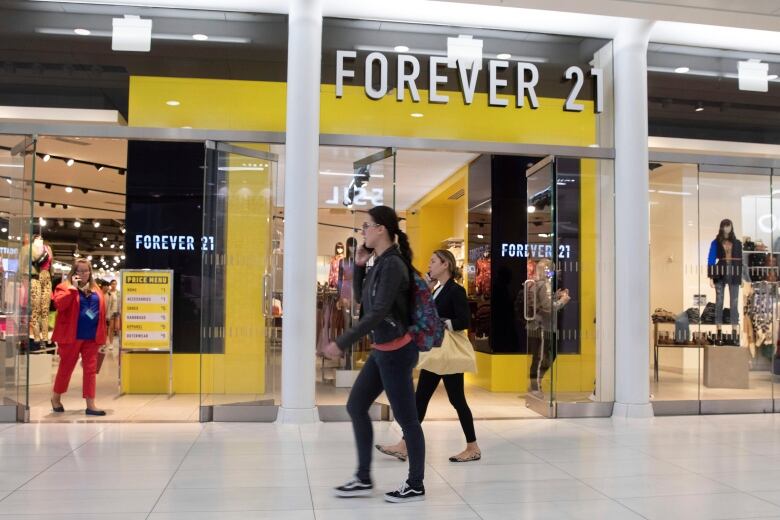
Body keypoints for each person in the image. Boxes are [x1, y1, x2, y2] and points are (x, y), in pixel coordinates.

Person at [322, 205, 426, 504]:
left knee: (408, 421)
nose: (363, 231)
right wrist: (358, 268)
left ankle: (415, 484)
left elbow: (379, 312)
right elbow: (364, 305)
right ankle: (364, 478)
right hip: (383, 350)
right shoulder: (381, 262)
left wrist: (342, 342)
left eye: (366, 226)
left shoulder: (393, 265)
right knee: (356, 406)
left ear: (381, 229)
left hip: (396, 352)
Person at [377, 249, 480, 463]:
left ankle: (472, 447)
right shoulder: (437, 289)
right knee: (422, 399)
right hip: (437, 355)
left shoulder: (456, 290)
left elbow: (464, 321)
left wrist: (442, 322)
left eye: (433, 261)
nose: (429, 265)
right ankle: (405, 445)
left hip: (446, 355)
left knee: (456, 400)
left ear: (445, 265)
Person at [50, 259, 108, 416]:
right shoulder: (64, 287)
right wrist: (73, 290)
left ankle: (91, 404)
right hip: (71, 336)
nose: (83, 274)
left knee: (90, 370)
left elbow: (101, 313)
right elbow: (59, 305)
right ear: (73, 273)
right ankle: (56, 398)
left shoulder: (96, 289)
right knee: (65, 369)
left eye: (86, 271)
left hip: (91, 337)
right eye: (79, 271)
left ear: (90, 272)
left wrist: (104, 335)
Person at [527, 258, 570, 395]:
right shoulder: (543, 284)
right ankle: (535, 385)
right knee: (543, 357)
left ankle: (535, 384)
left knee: (540, 356)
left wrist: (555, 296)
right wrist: (562, 301)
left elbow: (542, 302)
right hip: (542, 327)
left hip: (537, 326)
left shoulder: (534, 284)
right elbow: (548, 307)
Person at [107, 279, 121, 349]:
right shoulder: (108, 293)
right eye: (112, 284)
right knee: (111, 328)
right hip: (111, 312)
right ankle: (111, 343)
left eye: (115, 284)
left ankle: (120, 343)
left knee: (118, 328)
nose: (114, 285)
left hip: (118, 312)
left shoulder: (119, 292)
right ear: (110, 285)